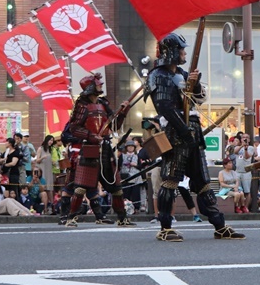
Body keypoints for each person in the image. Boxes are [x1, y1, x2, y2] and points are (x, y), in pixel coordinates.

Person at [146, 33, 244, 241]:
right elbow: (164, 106)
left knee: (203, 181)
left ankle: (219, 225)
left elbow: (196, 99)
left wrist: (196, 84)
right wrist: (183, 131)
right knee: (170, 180)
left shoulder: (182, 73)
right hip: (174, 131)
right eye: (181, 50)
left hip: (192, 128)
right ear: (171, 51)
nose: (184, 53)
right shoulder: (158, 75)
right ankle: (165, 227)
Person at [60, 71, 134, 227]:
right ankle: (71, 218)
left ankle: (122, 218)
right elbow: (74, 128)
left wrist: (123, 113)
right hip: (89, 148)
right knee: (80, 187)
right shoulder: (82, 105)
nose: (101, 85)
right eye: (97, 83)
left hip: (105, 148)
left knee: (116, 186)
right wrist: (91, 136)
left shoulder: (103, 104)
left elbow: (114, 126)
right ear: (90, 87)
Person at [233, 133, 254, 211]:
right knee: (238, 191)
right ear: (241, 139)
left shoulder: (251, 148)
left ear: (249, 139)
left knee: (247, 191)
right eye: (243, 137)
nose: (245, 139)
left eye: (247, 137)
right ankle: (238, 207)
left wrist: (245, 148)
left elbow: (247, 156)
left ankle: (246, 207)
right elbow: (235, 152)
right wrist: (242, 145)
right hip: (238, 171)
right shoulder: (238, 147)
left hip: (246, 172)